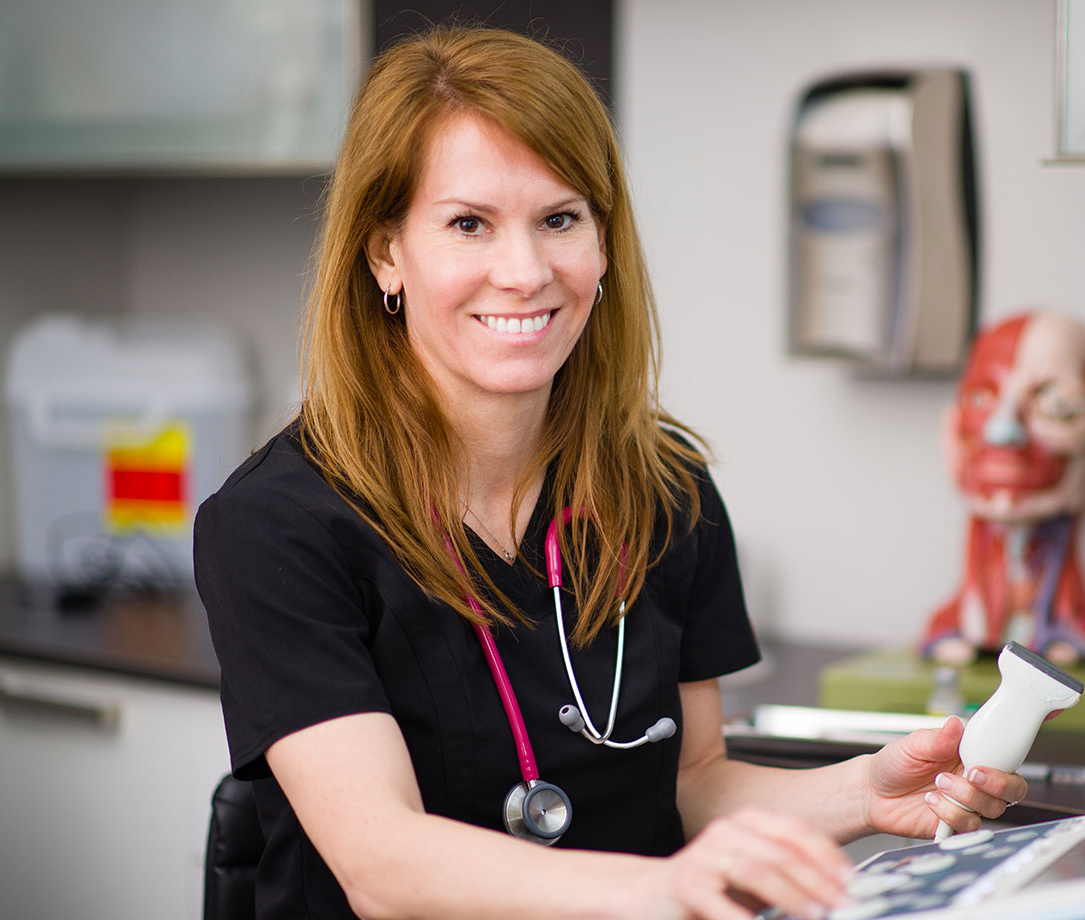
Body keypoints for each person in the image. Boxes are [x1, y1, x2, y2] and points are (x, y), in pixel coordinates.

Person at [195, 25, 1025, 920]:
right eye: (468, 224)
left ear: (602, 243)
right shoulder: (278, 525)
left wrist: (863, 793)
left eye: (560, 219)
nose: (525, 272)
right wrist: (660, 887)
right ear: (385, 253)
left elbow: (693, 781)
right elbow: (381, 864)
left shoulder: (667, 490)